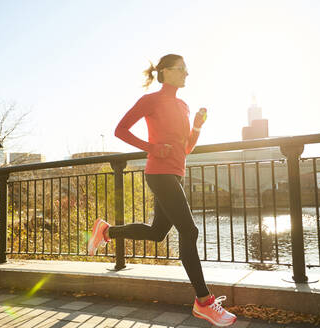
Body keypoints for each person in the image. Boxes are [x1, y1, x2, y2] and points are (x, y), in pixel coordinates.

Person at [88, 54, 237, 327]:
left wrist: (197, 127)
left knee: (158, 232)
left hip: (176, 174)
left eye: (186, 69)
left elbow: (186, 148)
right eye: (181, 69)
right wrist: (152, 148)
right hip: (159, 173)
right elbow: (120, 130)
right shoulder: (151, 100)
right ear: (165, 72)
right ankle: (203, 302)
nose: (186, 74)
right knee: (190, 231)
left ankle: (106, 231)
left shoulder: (183, 105)